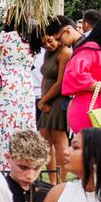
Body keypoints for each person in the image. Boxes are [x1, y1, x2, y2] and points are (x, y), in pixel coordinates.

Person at [0, 20, 43, 163]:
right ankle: (24, 159)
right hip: (25, 85)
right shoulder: (33, 38)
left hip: (4, 84)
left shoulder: (4, 37)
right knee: (23, 122)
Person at [36, 17, 77, 181]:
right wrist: (42, 99)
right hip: (46, 98)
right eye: (44, 43)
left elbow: (60, 83)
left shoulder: (66, 52)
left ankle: (61, 180)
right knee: (45, 138)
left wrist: (43, 100)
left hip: (59, 98)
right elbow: (45, 77)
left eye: (50, 41)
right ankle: (52, 180)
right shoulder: (48, 53)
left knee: (60, 140)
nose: (48, 45)